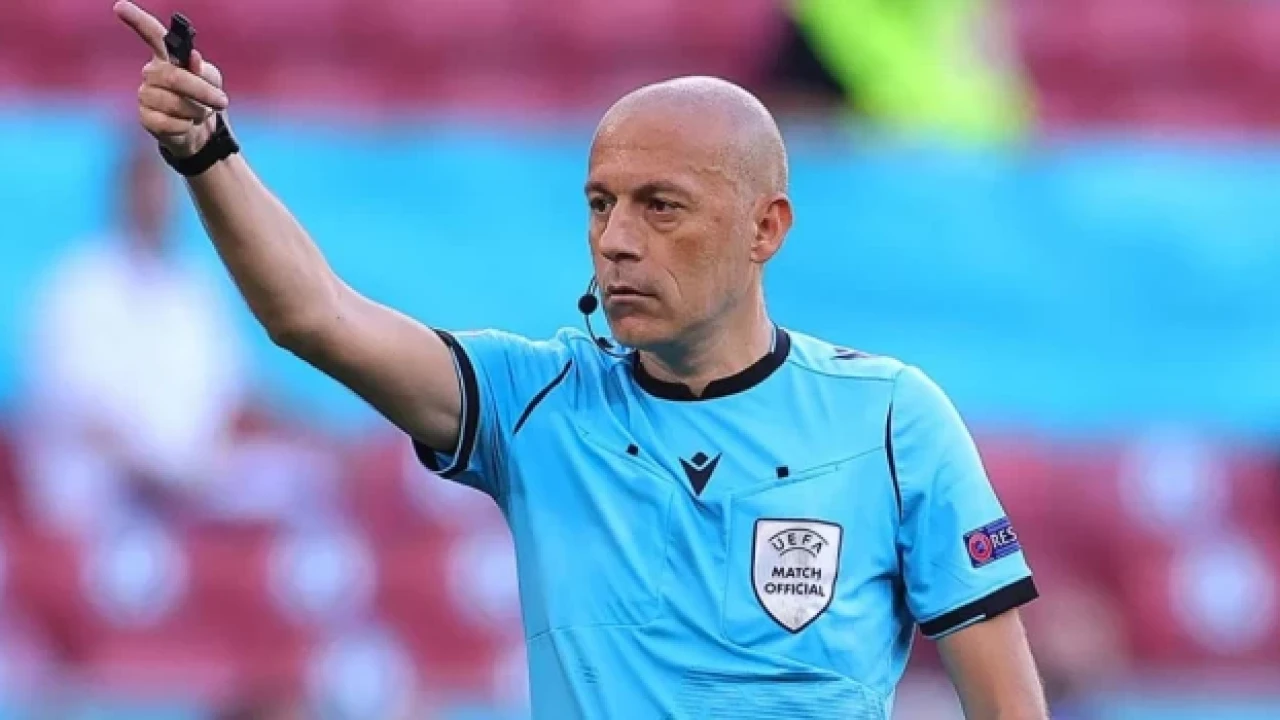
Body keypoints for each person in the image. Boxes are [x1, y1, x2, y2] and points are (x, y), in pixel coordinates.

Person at [113, 2, 1047, 717]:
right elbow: (314, 316)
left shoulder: (892, 419)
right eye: (601, 205)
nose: (618, 240)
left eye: (660, 206)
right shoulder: (535, 404)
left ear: (766, 229)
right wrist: (206, 154)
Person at [20, 131, 246, 538]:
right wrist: (157, 470)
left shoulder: (195, 289)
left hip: (193, 487)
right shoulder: (77, 285)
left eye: (164, 187)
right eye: (146, 185)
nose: (156, 199)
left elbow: (228, 394)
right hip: (100, 494)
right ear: (121, 192)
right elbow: (72, 406)